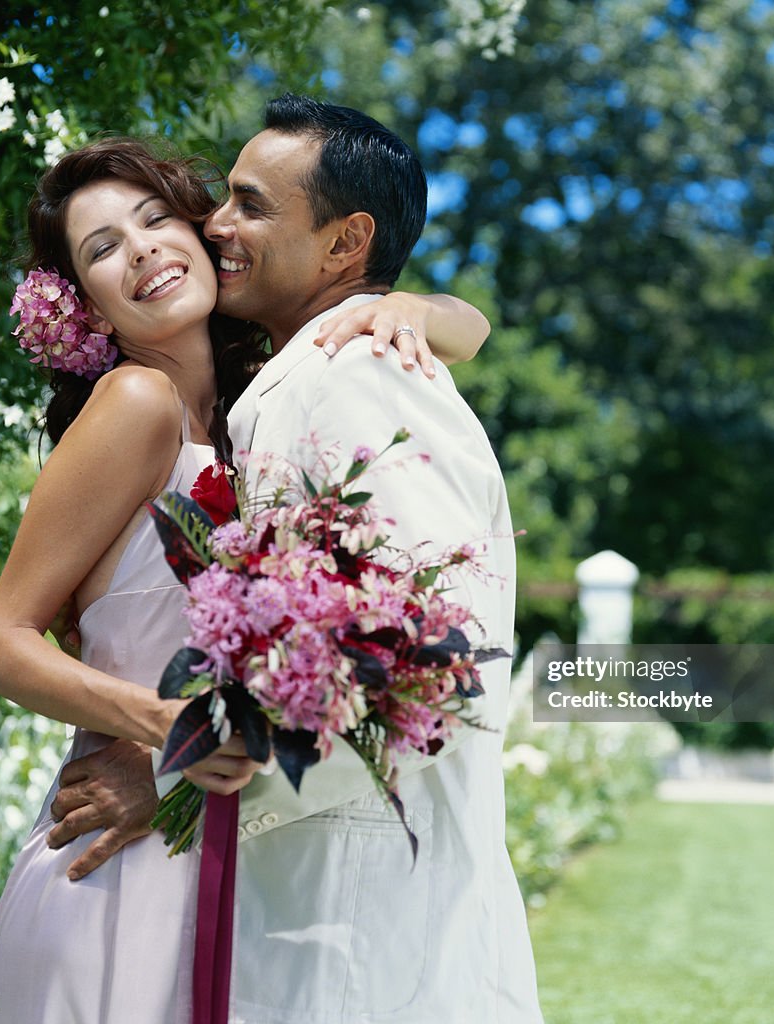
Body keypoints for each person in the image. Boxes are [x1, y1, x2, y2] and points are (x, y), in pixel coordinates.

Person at [0, 136, 493, 1023]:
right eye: (101, 251)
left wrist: (415, 306)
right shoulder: (137, 405)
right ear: (85, 307)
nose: (139, 252)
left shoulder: (260, 406)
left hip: (216, 843)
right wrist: (167, 735)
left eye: (154, 220)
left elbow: (471, 328)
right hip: (116, 861)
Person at [208, 94, 543, 1022]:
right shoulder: (306, 366)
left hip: (359, 894)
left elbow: (441, 656)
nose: (215, 224)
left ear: (345, 242)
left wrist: (226, 772)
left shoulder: (364, 373)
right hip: (315, 877)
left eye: (250, 204)